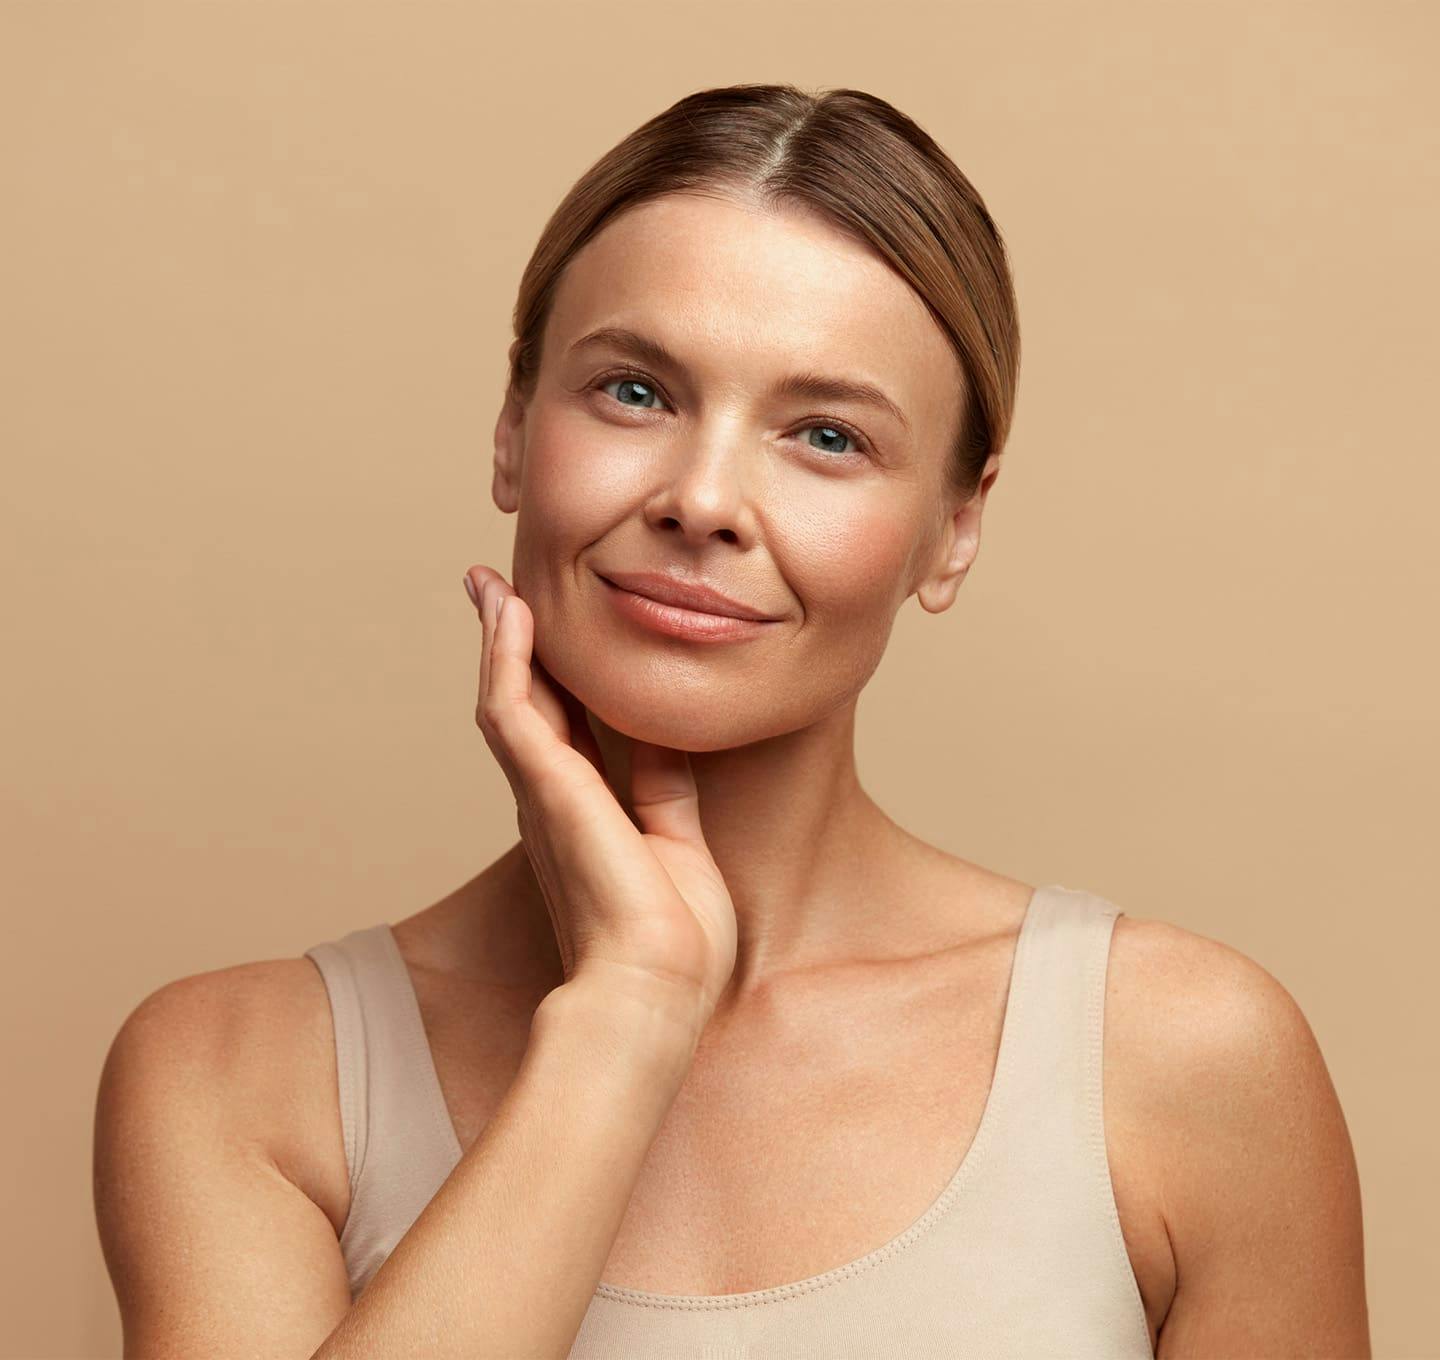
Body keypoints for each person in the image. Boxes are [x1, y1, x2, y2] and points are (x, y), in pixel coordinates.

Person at [92, 83, 1370, 1359]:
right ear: (512, 428)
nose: (703, 501)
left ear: (955, 527)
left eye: (826, 435)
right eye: (635, 393)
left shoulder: (1182, 1059)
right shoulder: (237, 1075)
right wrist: (626, 1014)